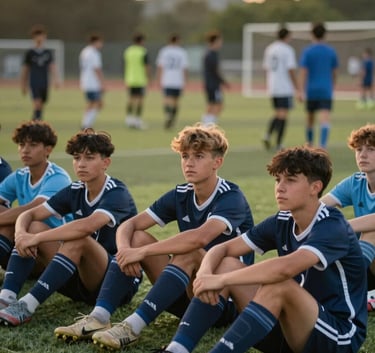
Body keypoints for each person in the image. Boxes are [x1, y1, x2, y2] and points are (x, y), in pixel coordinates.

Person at [163, 146, 366, 353]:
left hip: (338, 336)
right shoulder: (283, 220)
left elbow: (285, 268)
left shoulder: (332, 225)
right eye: (278, 180)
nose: (280, 187)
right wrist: (206, 274)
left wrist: (221, 281)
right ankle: (177, 349)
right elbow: (222, 249)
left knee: (278, 284)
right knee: (225, 264)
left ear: (315, 187)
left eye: (291, 180)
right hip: (290, 328)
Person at [81, 123, 254, 350]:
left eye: (199, 156)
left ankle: (131, 327)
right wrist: (125, 250)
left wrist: (141, 253)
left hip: (220, 300)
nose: (189, 162)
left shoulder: (231, 196)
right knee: (137, 237)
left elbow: (199, 238)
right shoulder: (181, 194)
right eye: (185, 156)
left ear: (217, 162)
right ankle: (99, 317)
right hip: (188, 291)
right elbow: (129, 225)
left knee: (188, 250)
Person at [0, 129, 140, 326]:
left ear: (106, 163)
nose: (81, 164)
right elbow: (29, 214)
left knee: (79, 239)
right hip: (78, 279)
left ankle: (27, 305)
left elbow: (86, 226)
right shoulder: (76, 189)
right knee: (35, 225)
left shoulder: (117, 192)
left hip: (114, 284)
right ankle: (6, 297)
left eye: (89, 158)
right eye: (77, 158)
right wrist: (22, 233)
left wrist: (37, 239)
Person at [0, 121, 71, 270]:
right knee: (10, 220)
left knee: (32, 224)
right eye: (21, 144)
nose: (25, 150)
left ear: (48, 149)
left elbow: (34, 209)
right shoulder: (20, 175)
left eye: (32, 145)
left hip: (55, 249)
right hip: (27, 245)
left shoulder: (58, 177)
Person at [321, 123, 375, 310]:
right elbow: (320, 207)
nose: (363, 155)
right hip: (369, 263)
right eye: (359, 149)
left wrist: (341, 227)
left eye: (371, 149)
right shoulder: (356, 182)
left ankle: (349, 292)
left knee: (371, 232)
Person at [299, 22, 339, 149]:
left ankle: (310, 145)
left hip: (311, 90)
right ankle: (322, 146)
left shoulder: (308, 51)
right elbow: (334, 72)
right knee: (325, 118)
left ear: (312, 34)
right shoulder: (330, 51)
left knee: (310, 119)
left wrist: (301, 90)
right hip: (325, 89)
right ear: (325, 34)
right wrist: (332, 85)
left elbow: (304, 72)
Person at [262, 27, 298, 151]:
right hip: (284, 87)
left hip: (273, 86)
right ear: (287, 36)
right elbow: (291, 69)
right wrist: (297, 87)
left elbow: (266, 68)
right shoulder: (287, 50)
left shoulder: (270, 48)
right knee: (283, 115)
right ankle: (279, 143)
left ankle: (267, 135)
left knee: (278, 113)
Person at [20, 24, 60, 121]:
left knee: (41, 103)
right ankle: (37, 123)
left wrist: (56, 79)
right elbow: (25, 69)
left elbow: (52, 66)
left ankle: (35, 121)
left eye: (42, 35)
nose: (40, 38)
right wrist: (23, 84)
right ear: (34, 37)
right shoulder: (30, 53)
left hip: (44, 81)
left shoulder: (47, 52)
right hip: (34, 81)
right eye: (38, 36)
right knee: (37, 103)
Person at [156, 34, 189, 130]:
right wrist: (185, 80)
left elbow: (160, 66)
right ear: (178, 41)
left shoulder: (164, 51)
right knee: (176, 101)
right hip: (178, 80)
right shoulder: (182, 52)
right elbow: (184, 68)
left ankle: (167, 114)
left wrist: (158, 79)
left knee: (167, 99)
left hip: (167, 79)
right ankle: (173, 118)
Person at [123, 33, 151, 130]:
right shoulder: (143, 51)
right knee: (140, 100)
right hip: (140, 79)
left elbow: (125, 65)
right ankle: (138, 120)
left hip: (130, 78)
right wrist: (149, 77)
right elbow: (146, 66)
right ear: (141, 41)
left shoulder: (128, 51)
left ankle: (129, 119)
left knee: (131, 99)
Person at [201, 31, 229, 126]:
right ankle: (208, 126)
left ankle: (207, 125)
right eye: (220, 41)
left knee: (212, 104)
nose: (221, 43)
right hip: (213, 84)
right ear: (215, 41)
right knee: (218, 105)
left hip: (210, 84)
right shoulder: (211, 54)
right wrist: (224, 82)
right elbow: (215, 71)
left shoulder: (209, 53)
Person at [79, 34, 105, 129]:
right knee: (97, 103)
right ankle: (86, 124)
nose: (101, 44)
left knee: (92, 103)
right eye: (100, 42)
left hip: (85, 81)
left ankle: (86, 123)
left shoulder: (84, 51)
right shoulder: (94, 53)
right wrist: (102, 83)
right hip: (93, 83)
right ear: (96, 42)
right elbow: (96, 69)